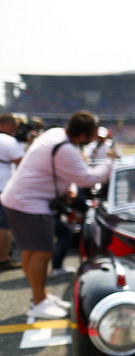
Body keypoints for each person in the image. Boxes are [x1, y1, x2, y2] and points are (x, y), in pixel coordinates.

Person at [1, 111, 115, 319]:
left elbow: (63, 173)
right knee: (41, 253)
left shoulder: (55, 134)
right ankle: (38, 302)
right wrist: (109, 162)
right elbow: (87, 178)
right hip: (30, 205)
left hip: (18, 200)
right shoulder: (68, 149)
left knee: (30, 252)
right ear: (85, 136)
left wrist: (69, 186)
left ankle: (40, 296)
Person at [0, 113, 24, 272]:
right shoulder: (8, 140)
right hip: (3, 186)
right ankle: (3, 259)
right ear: (8, 125)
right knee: (4, 225)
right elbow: (22, 162)